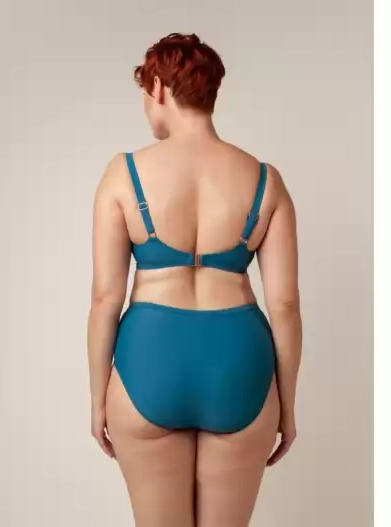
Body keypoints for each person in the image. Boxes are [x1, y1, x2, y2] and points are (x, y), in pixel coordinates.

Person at [87, 32, 302, 527]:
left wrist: (98, 399)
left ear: (158, 88)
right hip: (238, 367)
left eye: (145, 92)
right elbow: (286, 307)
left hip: (149, 362)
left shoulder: (123, 174)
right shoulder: (265, 180)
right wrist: (287, 409)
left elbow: (104, 299)